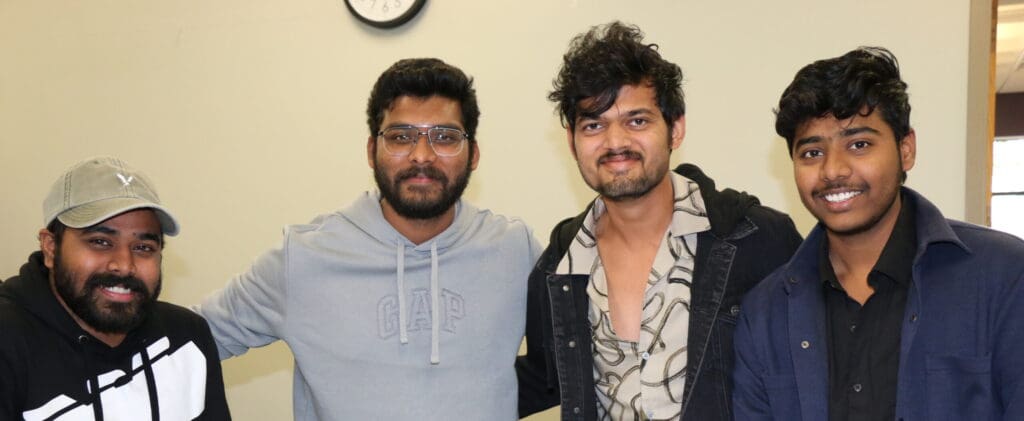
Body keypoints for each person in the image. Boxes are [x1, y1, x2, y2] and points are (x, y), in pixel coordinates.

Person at [195, 58, 541, 420]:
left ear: (474, 155)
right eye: (400, 137)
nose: (422, 155)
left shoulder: (516, 251)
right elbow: (182, 343)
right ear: (371, 151)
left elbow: (585, 355)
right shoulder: (304, 257)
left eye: (444, 137)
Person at [516, 22, 802, 420]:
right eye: (594, 125)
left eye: (637, 121)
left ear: (676, 127)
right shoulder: (559, 266)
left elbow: (813, 376)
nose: (615, 143)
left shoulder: (758, 240)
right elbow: (536, 382)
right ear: (571, 141)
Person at [732, 47, 1024, 421]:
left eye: (859, 144)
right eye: (811, 152)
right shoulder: (766, 312)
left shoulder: (1003, 277)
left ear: (906, 150)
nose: (833, 170)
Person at [0, 156, 231, 420]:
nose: (124, 265)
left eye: (143, 248)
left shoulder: (187, 335)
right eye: (100, 241)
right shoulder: (9, 346)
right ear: (51, 247)